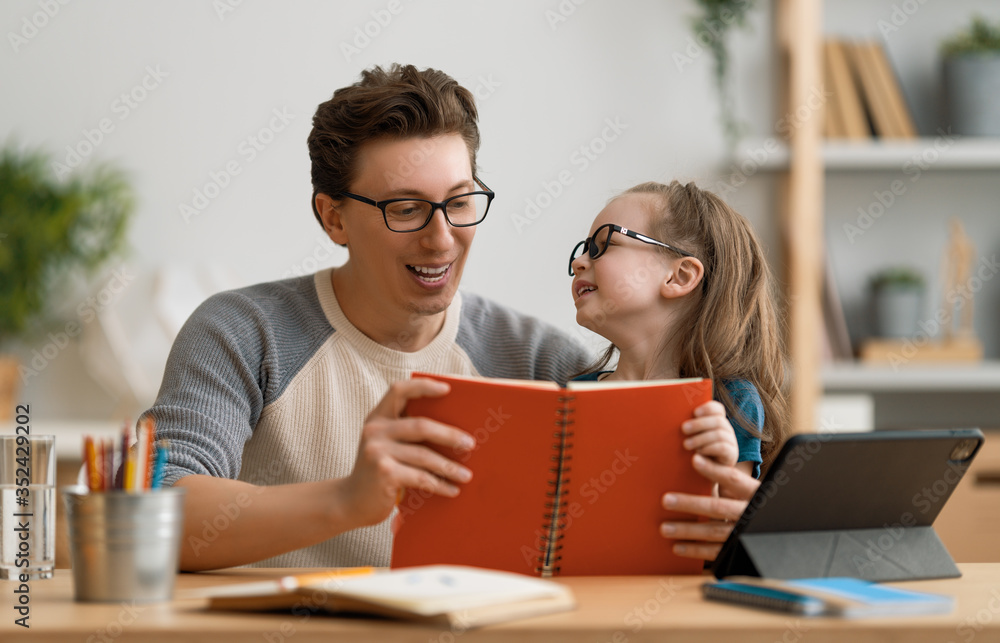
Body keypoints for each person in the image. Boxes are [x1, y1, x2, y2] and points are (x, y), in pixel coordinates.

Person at [144, 64, 592, 571]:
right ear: (334, 218)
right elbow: (150, 516)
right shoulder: (241, 332)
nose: (442, 239)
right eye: (405, 209)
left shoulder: (540, 360)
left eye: (460, 201)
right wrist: (348, 500)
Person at [568, 180, 789, 560]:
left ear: (680, 276)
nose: (579, 262)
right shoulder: (570, 396)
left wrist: (719, 473)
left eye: (604, 244)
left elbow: (721, 542)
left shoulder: (730, 402)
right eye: (584, 249)